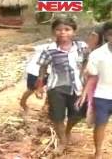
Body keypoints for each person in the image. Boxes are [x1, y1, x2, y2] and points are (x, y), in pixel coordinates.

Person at [35, 16, 89, 154]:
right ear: (54, 32)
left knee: (77, 114)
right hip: (57, 87)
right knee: (57, 116)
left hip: (78, 87)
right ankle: (63, 141)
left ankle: (67, 130)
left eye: (67, 29)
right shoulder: (49, 49)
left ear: (74, 32)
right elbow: (42, 67)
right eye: (59, 29)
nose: (63, 32)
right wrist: (39, 86)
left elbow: (86, 62)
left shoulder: (82, 47)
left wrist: (85, 78)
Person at [76, 21, 112, 159]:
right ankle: (98, 153)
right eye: (111, 34)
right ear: (106, 35)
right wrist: (84, 93)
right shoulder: (97, 54)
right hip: (103, 95)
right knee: (100, 124)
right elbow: (92, 76)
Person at [17, 42, 51, 112]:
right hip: (35, 71)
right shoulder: (48, 46)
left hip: (50, 72)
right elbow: (33, 48)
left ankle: (46, 107)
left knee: (53, 90)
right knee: (31, 89)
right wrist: (22, 46)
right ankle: (22, 103)